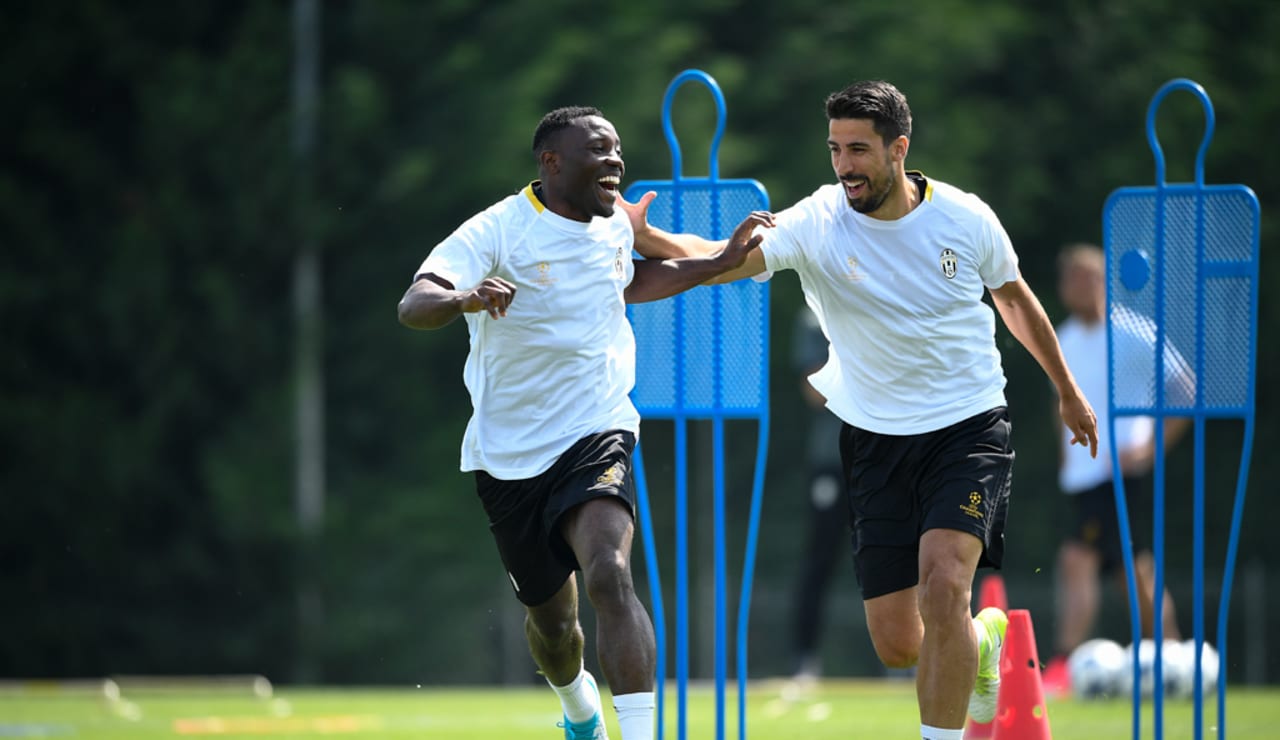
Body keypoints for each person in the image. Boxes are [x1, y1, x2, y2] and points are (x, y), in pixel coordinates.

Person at [620, 80, 1098, 740]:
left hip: (968, 427)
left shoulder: (966, 218)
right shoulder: (819, 220)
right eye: (835, 149)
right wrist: (648, 237)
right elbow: (721, 260)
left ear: (899, 148)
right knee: (898, 644)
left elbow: (1014, 300)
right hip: (874, 438)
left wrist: (1067, 389)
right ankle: (984, 640)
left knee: (945, 584)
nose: (844, 165)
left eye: (859, 150)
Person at [397, 106, 769, 740]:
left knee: (610, 573)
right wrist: (465, 297)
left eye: (617, 149)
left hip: (598, 427)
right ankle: (578, 709)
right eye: (600, 150)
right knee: (555, 632)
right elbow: (415, 303)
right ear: (552, 162)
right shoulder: (498, 229)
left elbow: (632, 280)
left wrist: (717, 262)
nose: (615, 161)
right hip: (508, 454)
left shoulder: (614, 223)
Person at [1040, 243, 1189, 696]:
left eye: (1090, 277)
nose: (1081, 286)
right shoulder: (1063, 338)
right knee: (1134, 571)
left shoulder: (1133, 330)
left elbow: (1185, 389)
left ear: (1106, 281)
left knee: (1076, 559)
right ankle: (1173, 656)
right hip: (1084, 476)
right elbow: (1060, 402)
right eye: (1072, 278)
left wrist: (1151, 447)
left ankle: (1062, 664)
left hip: (1119, 473)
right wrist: (1065, 456)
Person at [784, 304, 849, 689]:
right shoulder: (813, 316)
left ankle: (907, 659)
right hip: (832, 459)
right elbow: (814, 391)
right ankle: (804, 658)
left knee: (893, 554)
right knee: (818, 561)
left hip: (883, 456)